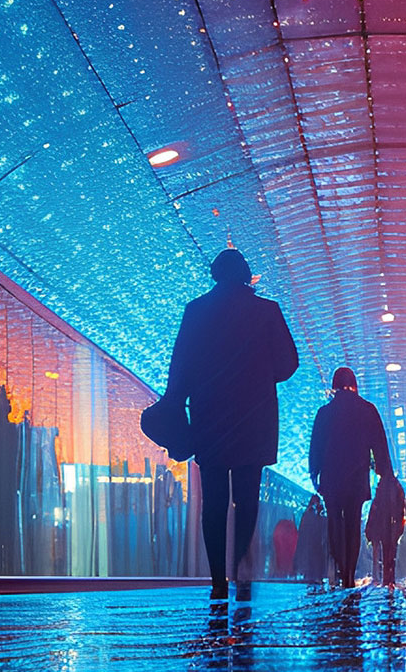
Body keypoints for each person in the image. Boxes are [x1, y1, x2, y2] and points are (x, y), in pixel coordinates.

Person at [165, 248, 300, 600]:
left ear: (215, 274)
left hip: (209, 416)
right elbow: (289, 363)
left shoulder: (196, 310)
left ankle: (217, 581)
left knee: (214, 501)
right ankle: (241, 568)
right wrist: (259, 373)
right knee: (246, 498)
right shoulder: (267, 311)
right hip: (253, 417)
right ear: (245, 274)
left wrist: (175, 401)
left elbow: (180, 364)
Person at [308, 367, 393, 587]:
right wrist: (384, 472)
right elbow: (379, 445)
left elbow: (315, 446)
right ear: (355, 384)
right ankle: (349, 573)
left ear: (334, 385)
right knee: (353, 522)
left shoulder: (324, 413)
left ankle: (340, 566)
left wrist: (314, 473)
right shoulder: (367, 410)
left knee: (335, 521)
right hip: (356, 477)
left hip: (332, 477)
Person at [364, 472, 405, 586]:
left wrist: (369, 529)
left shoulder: (380, 494)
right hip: (389, 526)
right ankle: (387, 577)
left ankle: (379, 576)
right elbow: (400, 509)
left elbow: (374, 512)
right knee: (389, 552)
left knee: (380, 552)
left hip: (380, 527)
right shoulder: (396, 488)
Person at [295, 494, 329, 584]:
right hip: (313, 543)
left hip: (316, 543)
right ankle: (314, 577)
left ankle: (315, 577)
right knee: (313, 560)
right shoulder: (309, 514)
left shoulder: (312, 515)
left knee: (315, 560)